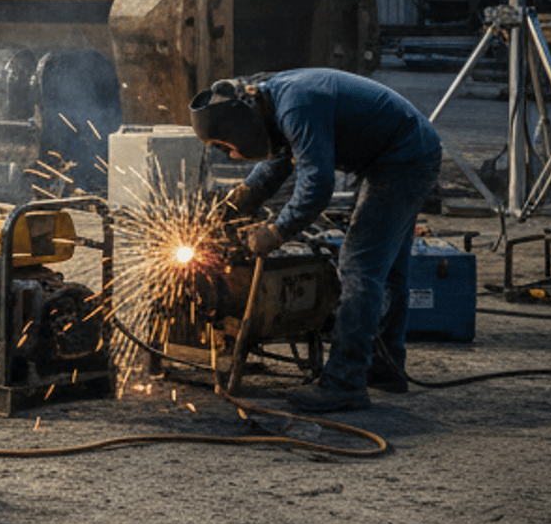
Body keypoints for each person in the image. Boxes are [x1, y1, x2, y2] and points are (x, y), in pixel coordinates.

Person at [190, 68, 443, 413]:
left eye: (228, 147)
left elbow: (317, 186)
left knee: (359, 265)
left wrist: (276, 232)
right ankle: (384, 368)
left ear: (242, 124)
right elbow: (281, 159)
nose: (231, 154)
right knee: (387, 270)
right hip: (404, 149)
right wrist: (240, 200)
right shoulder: (274, 102)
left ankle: (344, 383)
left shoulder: (297, 105)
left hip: (404, 158)